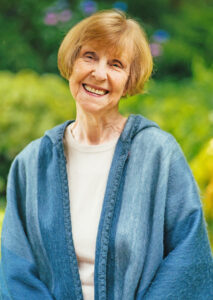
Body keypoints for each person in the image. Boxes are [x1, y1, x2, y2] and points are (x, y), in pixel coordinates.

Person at [0, 9, 213, 300]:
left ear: (129, 79)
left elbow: (190, 257)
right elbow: (15, 271)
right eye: (89, 56)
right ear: (71, 62)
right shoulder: (31, 164)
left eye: (116, 64)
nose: (99, 73)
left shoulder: (158, 155)